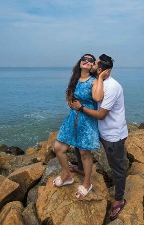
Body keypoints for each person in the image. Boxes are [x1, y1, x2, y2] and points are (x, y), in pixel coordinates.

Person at [70, 54, 128, 220]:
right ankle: (81, 168)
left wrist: (80, 108)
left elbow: (102, 114)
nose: (91, 64)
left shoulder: (112, 87)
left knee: (116, 167)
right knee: (79, 145)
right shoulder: (98, 82)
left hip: (112, 134)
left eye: (94, 64)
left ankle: (119, 199)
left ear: (101, 70)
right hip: (98, 129)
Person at [53, 54, 110, 199]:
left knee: (85, 154)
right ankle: (67, 174)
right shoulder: (75, 79)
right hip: (72, 118)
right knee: (58, 148)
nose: (87, 61)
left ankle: (86, 184)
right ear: (80, 63)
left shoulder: (93, 81)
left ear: (92, 66)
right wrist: (70, 100)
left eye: (91, 60)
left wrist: (101, 78)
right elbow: (70, 93)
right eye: (84, 59)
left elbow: (97, 98)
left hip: (87, 120)